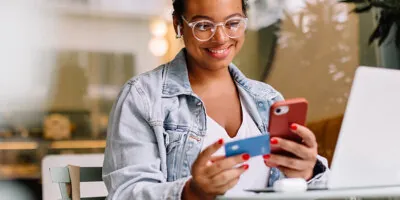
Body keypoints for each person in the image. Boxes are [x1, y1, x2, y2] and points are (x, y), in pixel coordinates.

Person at [102, 0, 329, 199]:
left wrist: (307, 174)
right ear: (178, 24)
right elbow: (126, 193)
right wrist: (192, 193)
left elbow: (320, 190)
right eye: (203, 25)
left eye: (232, 23)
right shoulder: (143, 97)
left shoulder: (268, 99)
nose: (220, 38)